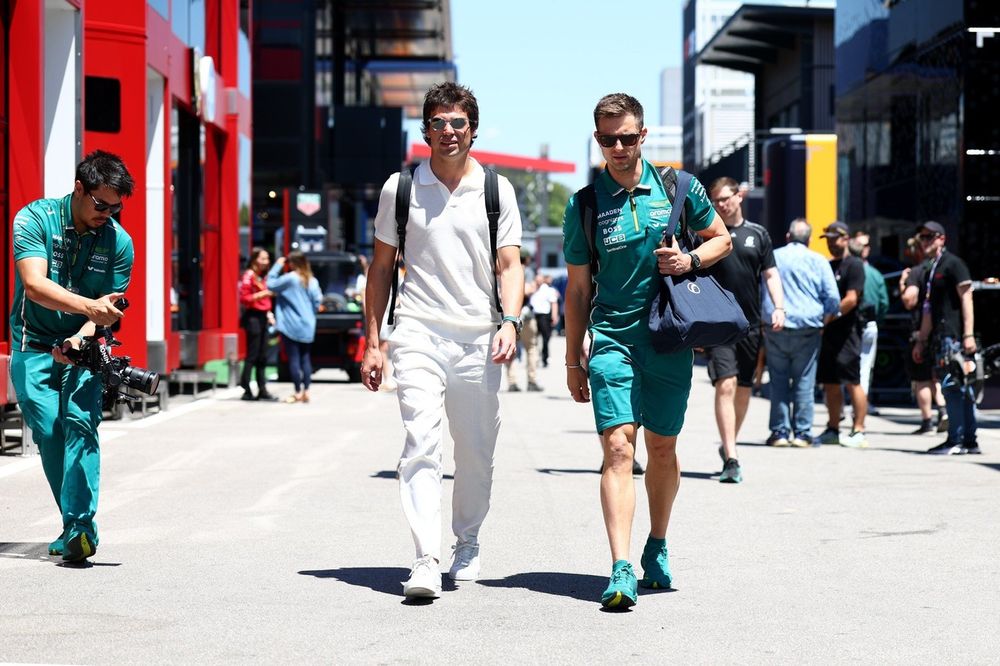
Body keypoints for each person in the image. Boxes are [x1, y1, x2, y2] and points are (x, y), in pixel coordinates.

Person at [563, 93, 732, 609]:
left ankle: (656, 546)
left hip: (668, 337)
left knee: (662, 448)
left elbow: (720, 238)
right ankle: (619, 568)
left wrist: (688, 261)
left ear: (643, 137)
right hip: (612, 337)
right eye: (607, 138)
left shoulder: (678, 186)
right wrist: (574, 359)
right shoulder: (585, 204)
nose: (618, 146)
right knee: (618, 449)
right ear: (597, 140)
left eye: (627, 137)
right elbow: (576, 291)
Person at [361, 82, 523, 599]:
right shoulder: (401, 188)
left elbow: (510, 264)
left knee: (475, 452)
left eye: (457, 123)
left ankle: (467, 539)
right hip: (418, 331)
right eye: (437, 123)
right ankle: (425, 559)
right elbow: (381, 267)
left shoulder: (497, 189)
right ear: (425, 130)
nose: (447, 132)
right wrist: (374, 342)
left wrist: (511, 320)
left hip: (479, 336)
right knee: (420, 446)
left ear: (473, 129)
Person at [9, 150, 135, 562]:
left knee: (82, 425)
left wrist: (83, 335)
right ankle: (72, 522)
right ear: (79, 188)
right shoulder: (34, 219)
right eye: (101, 204)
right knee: (49, 432)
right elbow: (34, 284)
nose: (109, 214)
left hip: (87, 344)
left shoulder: (120, 242)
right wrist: (87, 308)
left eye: (116, 207)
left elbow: (108, 311)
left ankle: (80, 527)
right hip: (33, 343)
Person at [704, 176, 785, 484]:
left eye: (726, 199)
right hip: (718, 324)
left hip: (750, 325)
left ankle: (729, 445)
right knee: (725, 384)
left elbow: (771, 275)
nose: (722, 205)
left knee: (744, 389)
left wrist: (779, 306)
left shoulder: (758, 234)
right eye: (716, 201)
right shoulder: (707, 234)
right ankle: (733, 456)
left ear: (739, 197)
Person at [761, 219, 840, 448]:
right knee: (805, 381)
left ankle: (780, 432)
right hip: (808, 328)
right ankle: (803, 434)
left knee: (778, 381)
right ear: (809, 239)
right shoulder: (819, 261)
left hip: (776, 326)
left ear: (788, 236)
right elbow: (833, 298)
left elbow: (761, 290)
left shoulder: (774, 257)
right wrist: (823, 320)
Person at [911, 222, 980, 455]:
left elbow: (966, 298)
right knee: (958, 387)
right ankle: (966, 440)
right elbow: (929, 308)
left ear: (942, 239)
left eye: (929, 237)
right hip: (941, 338)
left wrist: (968, 334)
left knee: (954, 387)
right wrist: (921, 339)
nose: (925, 241)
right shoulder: (932, 267)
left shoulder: (953, 264)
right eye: (922, 237)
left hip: (954, 338)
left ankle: (958, 439)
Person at [814, 221, 868, 448]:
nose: (831, 243)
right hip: (829, 335)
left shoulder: (854, 264)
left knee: (852, 382)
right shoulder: (828, 265)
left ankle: (859, 429)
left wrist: (827, 318)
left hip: (848, 334)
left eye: (834, 238)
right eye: (827, 239)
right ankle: (833, 428)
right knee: (830, 383)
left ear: (845, 239)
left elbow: (851, 299)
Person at [900, 238, 948, 435]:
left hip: (921, 330)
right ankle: (944, 411)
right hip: (940, 330)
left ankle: (927, 421)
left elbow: (909, 300)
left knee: (922, 379)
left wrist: (903, 283)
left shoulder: (917, 272)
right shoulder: (941, 269)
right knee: (936, 377)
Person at [267, 251, 322, 403]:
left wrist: (278, 265)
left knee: (294, 359)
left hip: (290, 324)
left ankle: (297, 391)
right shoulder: (312, 280)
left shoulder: (290, 278)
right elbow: (318, 302)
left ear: (291, 263)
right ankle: (307, 391)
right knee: (305, 359)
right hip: (308, 324)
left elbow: (270, 283)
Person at [849, 232, 889, 406]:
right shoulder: (874, 274)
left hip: (854, 325)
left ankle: (852, 404)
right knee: (863, 370)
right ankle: (860, 404)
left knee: (849, 366)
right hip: (867, 324)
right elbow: (884, 303)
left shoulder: (848, 269)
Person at [238, 247, 278, 401]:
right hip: (252, 317)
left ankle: (262, 389)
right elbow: (245, 298)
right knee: (252, 354)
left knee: (263, 355)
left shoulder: (263, 277)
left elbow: (266, 301)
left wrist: (268, 313)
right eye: (263, 258)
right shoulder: (249, 275)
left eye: (267, 259)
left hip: (263, 317)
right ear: (255, 259)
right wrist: (264, 293)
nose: (266, 262)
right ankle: (246, 388)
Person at [529, 273, 560, 368]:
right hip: (533, 316)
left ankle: (545, 357)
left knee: (546, 338)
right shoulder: (533, 290)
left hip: (544, 316)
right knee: (534, 339)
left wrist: (554, 316)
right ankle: (536, 358)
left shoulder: (548, 290)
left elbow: (554, 303)